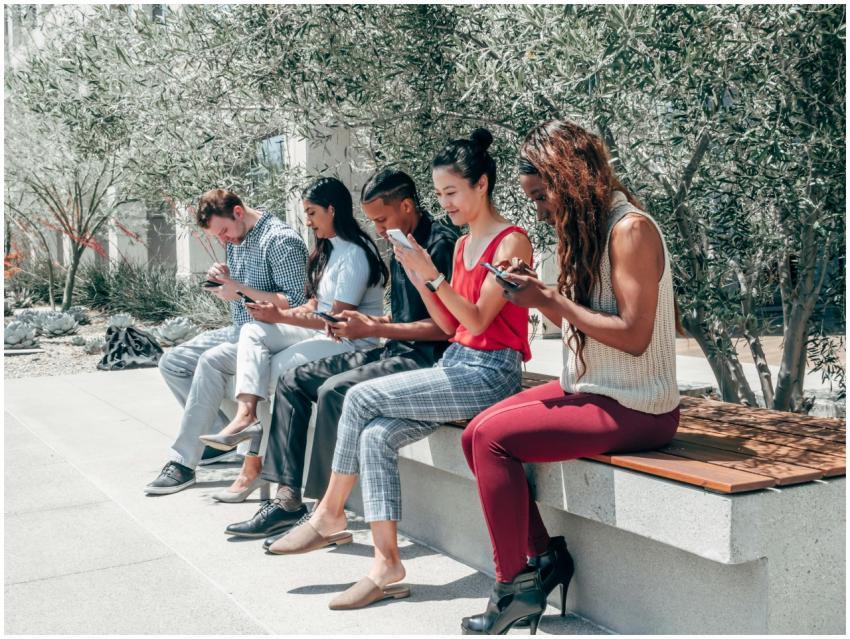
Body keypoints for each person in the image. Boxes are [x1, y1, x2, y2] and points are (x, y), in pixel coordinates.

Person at [268, 129, 534, 613]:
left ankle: (328, 514)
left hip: (492, 372)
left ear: (482, 185)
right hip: (460, 363)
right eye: (441, 195)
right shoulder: (459, 247)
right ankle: (386, 565)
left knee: (359, 398)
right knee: (374, 437)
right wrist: (420, 273)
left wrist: (427, 275)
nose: (445, 203)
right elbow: (452, 324)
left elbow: (477, 321)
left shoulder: (511, 241)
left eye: (452, 192)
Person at [459, 119, 681, 635]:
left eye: (541, 195)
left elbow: (634, 336)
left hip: (640, 405)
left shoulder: (631, 230)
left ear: (569, 180)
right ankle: (543, 559)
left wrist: (551, 299)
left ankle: (514, 587)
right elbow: (577, 323)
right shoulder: (581, 229)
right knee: (474, 434)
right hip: (595, 389)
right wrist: (536, 296)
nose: (538, 208)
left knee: (492, 439)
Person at [223, 168, 457, 538]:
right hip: (393, 346)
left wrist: (373, 327)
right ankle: (287, 500)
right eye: (373, 222)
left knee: (333, 392)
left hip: (424, 358)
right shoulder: (400, 242)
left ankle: (323, 513)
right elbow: (403, 315)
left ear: (408, 206)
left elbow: (446, 328)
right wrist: (371, 321)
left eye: (381, 219)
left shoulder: (441, 245)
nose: (377, 229)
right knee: (292, 380)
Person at [199, 176, 389, 502]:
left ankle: (261, 466)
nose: (308, 221)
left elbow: (336, 321)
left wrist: (280, 316)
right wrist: (273, 314)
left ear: (332, 210)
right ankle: (246, 419)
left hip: (349, 342)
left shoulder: (355, 254)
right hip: (320, 332)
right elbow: (315, 305)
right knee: (252, 331)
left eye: (312, 213)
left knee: (274, 370)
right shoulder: (329, 249)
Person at [145, 188, 307, 495]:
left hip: (269, 336)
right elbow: (242, 285)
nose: (224, 240)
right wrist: (224, 276)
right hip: (238, 330)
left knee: (210, 362)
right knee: (172, 362)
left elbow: (297, 303)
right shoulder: (238, 237)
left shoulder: (280, 240)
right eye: (218, 236)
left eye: (224, 232)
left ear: (237, 212)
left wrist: (241, 291)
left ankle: (182, 462)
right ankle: (218, 440)